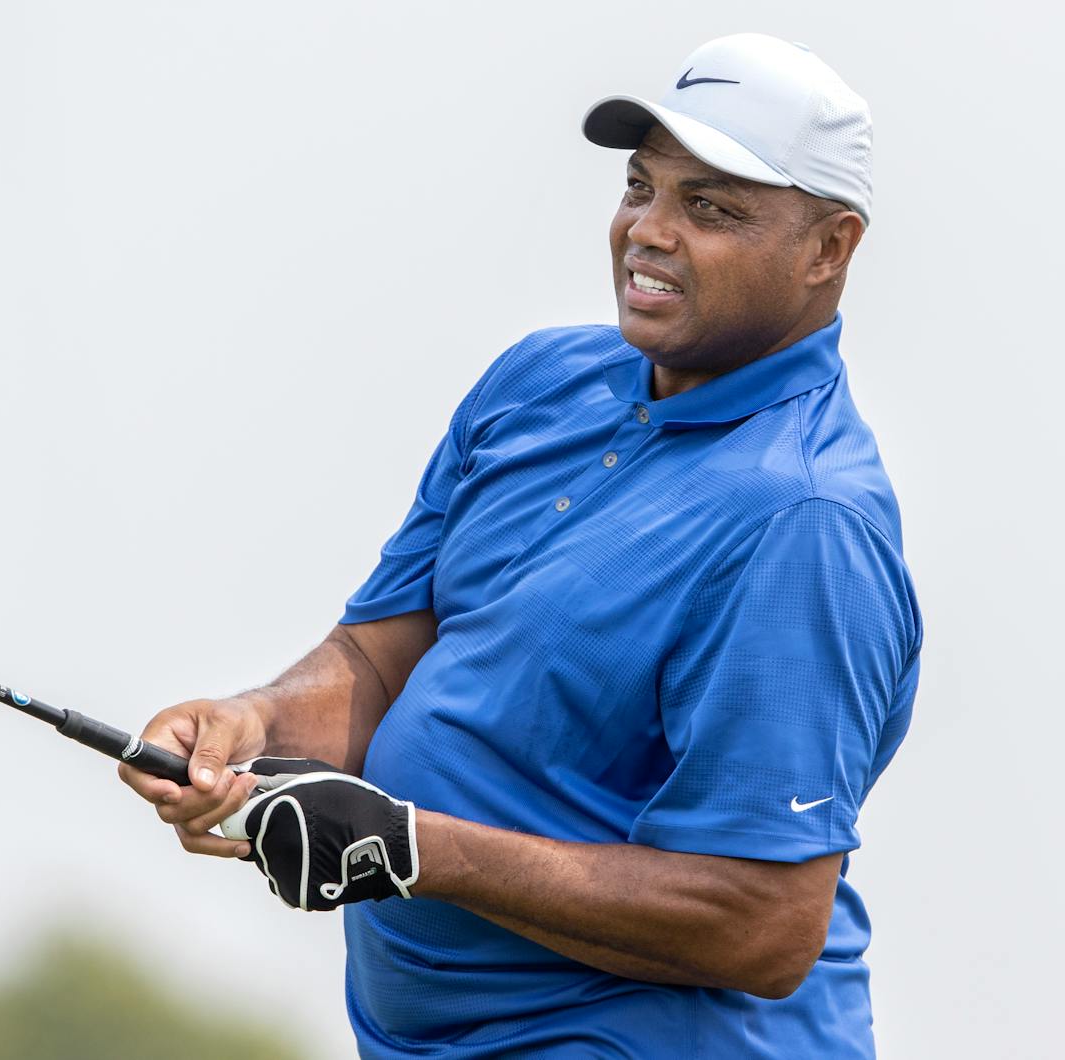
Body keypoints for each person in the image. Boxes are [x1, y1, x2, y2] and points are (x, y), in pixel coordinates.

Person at [120, 32, 921, 1058]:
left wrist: (412, 848)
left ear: (827, 249)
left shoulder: (801, 521)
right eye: (641, 188)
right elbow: (376, 663)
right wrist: (249, 727)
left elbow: (761, 925)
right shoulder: (539, 383)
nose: (648, 231)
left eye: (709, 208)